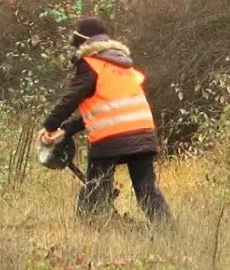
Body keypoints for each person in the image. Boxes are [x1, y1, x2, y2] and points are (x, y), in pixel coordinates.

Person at [38, 16, 172, 225]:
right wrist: (67, 129)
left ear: (84, 43)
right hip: (144, 134)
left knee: (96, 187)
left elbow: (71, 99)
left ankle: (95, 229)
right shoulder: (124, 66)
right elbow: (106, 109)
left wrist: (49, 126)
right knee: (147, 190)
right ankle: (168, 232)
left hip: (110, 139)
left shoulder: (90, 64)